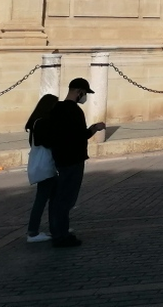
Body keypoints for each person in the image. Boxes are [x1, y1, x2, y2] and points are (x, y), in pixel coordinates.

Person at [46, 78, 105, 247]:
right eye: (84, 93)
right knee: (66, 200)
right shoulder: (75, 111)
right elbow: (81, 135)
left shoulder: (55, 109)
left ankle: (58, 232)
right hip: (73, 159)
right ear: (79, 91)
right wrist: (95, 128)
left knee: (58, 198)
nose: (84, 97)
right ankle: (61, 237)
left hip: (59, 158)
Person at [24, 93, 59, 243]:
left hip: (43, 166)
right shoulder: (43, 122)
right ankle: (33, 232)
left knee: (52, 198)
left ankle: (56, 227)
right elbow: (46, 142)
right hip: (46, 167)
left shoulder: (35, 122)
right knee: (43, 199)